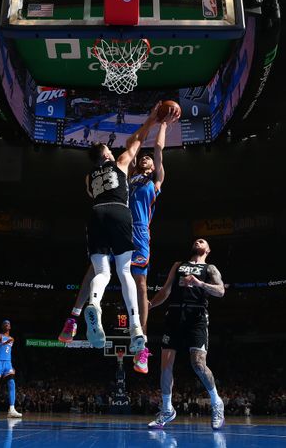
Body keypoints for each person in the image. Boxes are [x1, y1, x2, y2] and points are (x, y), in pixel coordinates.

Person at [59, 110, 179, 374]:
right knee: (97, 272)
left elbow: (157, 147)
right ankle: (74, 317)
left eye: (149, 159)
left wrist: (162, 124)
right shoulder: (126, 171)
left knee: (138, 283)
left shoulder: (155, 180)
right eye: (143, 157)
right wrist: (148, 121)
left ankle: (142, 347)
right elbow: (133, 146)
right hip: (120, 221)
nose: (146, 159)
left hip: (138, 231)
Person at [81, 103, 172, 354]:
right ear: (108, 156)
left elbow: (90, 192)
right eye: (110, 149)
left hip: (99, 216)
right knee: (124, 274)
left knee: (102, 272)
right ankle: (135, 328)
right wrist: (153, 120)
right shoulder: (122, 164)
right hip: (121, 216)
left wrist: (159, 124)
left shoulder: (90, 175)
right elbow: (136, 141)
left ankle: (94, 304)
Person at [146, 239, 226, 430]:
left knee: (198, 364)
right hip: (174, 315)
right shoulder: (178, 265)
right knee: (165, 366)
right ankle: (167, 409)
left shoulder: (210, 268)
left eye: (203, 241)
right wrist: (149, 305)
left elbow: (221, 291)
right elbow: (165, 291)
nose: (199, 241)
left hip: (196, 316)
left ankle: (216, 402)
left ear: (208, 249)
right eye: (196, 240)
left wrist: (199, 283)